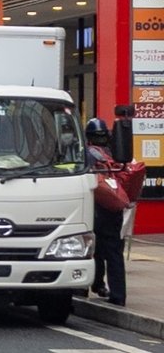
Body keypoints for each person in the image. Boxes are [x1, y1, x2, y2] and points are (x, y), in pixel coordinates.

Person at [85, 117, 126, 306]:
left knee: (90, 247)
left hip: (93, 207)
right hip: (114, 207)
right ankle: (114, 292)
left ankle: (89, 285)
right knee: (113, 251)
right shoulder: (116, 154)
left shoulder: (86, 154)